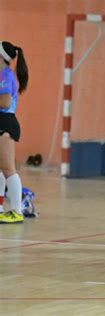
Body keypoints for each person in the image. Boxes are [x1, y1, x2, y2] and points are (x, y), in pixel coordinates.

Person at [0, 41, 28, 224]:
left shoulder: (6, 75)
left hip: (6, 123)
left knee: (9, 169)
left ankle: (17, 211)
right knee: (1, 169)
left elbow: (5, 103)